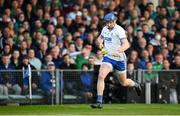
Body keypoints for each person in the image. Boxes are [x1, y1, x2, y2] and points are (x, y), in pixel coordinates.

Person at [91, 13, 142, 109]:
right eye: (107, 23)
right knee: (101, 76)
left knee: (123, 83)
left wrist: (118, 50)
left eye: (110, 22)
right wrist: (100, 44)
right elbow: (99, 39)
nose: (108, 24)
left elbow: (126, 44)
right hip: (108, 58)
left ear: (115, 21)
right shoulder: (105, 29)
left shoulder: (119, 30)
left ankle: (135, 84)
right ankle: (99, 101)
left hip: (119, 59)